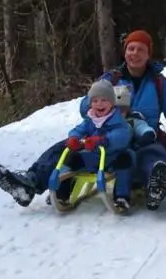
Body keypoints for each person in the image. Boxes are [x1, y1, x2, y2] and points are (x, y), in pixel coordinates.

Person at [0, 29, 166, 211]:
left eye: (140, 49)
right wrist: (105, 106)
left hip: (142, 138)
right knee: (65, 148)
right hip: (108, 135)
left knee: (153, 154)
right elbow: (86, 106)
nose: (135, 53)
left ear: (148, 54)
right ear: (124, 51)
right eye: (130, 48)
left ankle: (155, 184)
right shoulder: (112, 80)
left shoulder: (161, 84)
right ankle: (31, 183)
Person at [47, 80, 134, 212]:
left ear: (112, 102)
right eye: (95, 101)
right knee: (71, 158)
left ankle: (121, 197)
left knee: (125, 160)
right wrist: (74, 138)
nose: (99, 104)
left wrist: (104, 140)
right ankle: (61, 194)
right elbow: (79, 129)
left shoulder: (118, 120)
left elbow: (122, 136)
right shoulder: (90, 120)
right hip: (92, 158)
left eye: (104, 100)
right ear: (90, 103)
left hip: (111, 158)